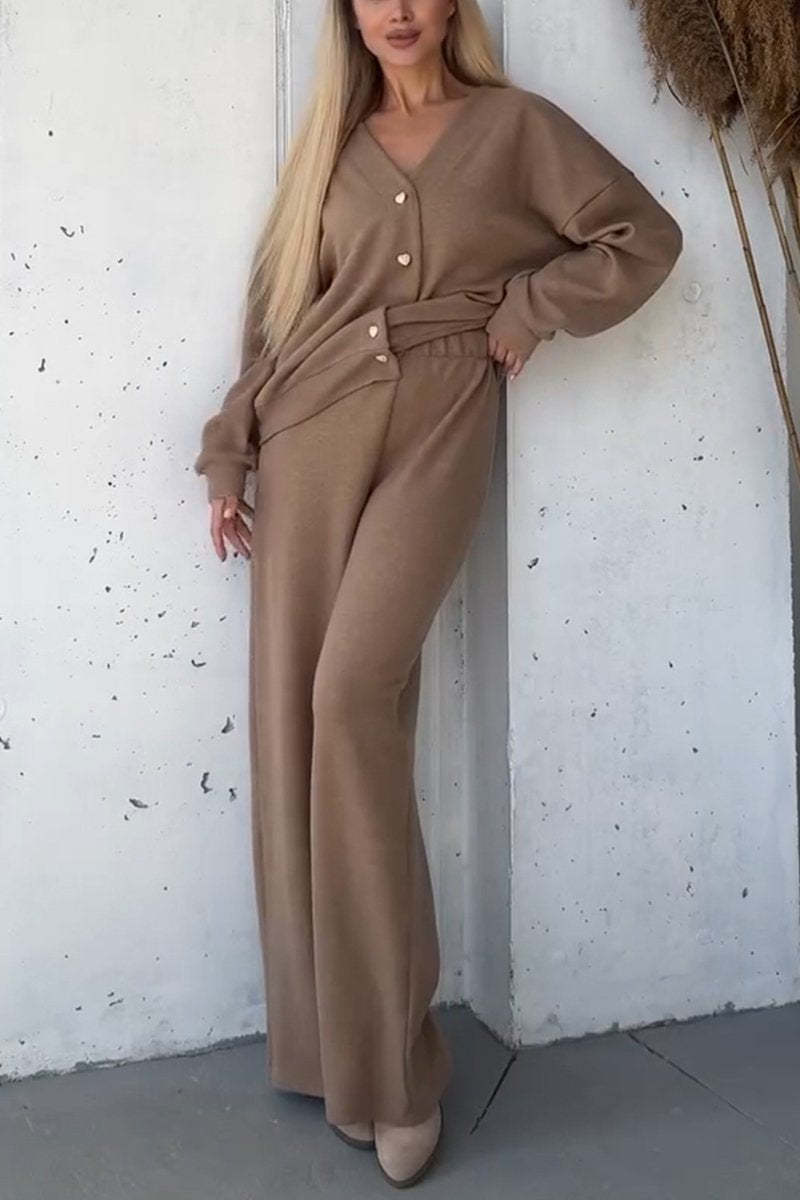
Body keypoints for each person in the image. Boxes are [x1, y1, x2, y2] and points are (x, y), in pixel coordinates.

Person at [193, 0, 683, 1187]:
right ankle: (336, 1059)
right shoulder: (328, 148)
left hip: (440, 419)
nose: (397, 10)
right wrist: (227, 449)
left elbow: (641, 237)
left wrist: (529, 309)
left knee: (350, 697)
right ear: (349, 14)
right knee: (295, 731)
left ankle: (400, 1071)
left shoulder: (514, 128)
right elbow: (276, 316)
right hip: (307, 432)